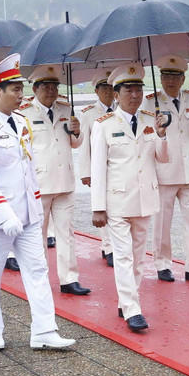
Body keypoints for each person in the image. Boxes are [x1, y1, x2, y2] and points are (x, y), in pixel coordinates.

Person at [0, 54, 75, 351]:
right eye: (14, 89)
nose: (21, 94)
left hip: (28, 213)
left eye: (21, 88)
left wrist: (36, 207)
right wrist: (5, 215)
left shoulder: (21, 121)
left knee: (38, 271)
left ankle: (44, 330)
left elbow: (28, 167)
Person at [90, 64, 169, 332]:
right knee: (123, 256)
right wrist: (97, 207)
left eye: (139, 90)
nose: (135, 95)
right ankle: (133, 309)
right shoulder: (104, 125)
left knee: (138, 257)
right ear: (116, 94)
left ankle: (127, 301)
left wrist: (161, 135)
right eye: (129, 90)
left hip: (144, 199)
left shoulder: (150, 120)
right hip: (117, 202)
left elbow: (163, 158)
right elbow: (98, 169)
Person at [18, 66, 88, 295]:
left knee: (66, 232)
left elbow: (74, 144)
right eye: (46, 87)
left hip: (65, 181)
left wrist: (77, 132)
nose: (51, 91)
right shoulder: (24, 113)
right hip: (39, 182)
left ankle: (69, 279)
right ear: (35, 89)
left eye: (55, 86)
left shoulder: (66, 109)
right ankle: (38, 280)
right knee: (38, 233)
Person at [146, 55, 189, 284]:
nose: (169, 81)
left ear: (183, 79)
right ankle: (162, 264)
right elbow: (146, 136)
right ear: (160, 78)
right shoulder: (150, 101)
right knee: (163, 222)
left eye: (175, 76)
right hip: (165, 171)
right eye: (165, 76)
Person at [77, 68, 115, 266]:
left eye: (111, 87)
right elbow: (84, 146)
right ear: (97, 91)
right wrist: (85, 172)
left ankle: (109, 246)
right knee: (102, 207)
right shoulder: (89, 114)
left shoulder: (120, 110)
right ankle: (108, 247)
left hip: (118, 169)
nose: (108, 91)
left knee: (116, 208)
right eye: (104, 87)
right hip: (98, 169)